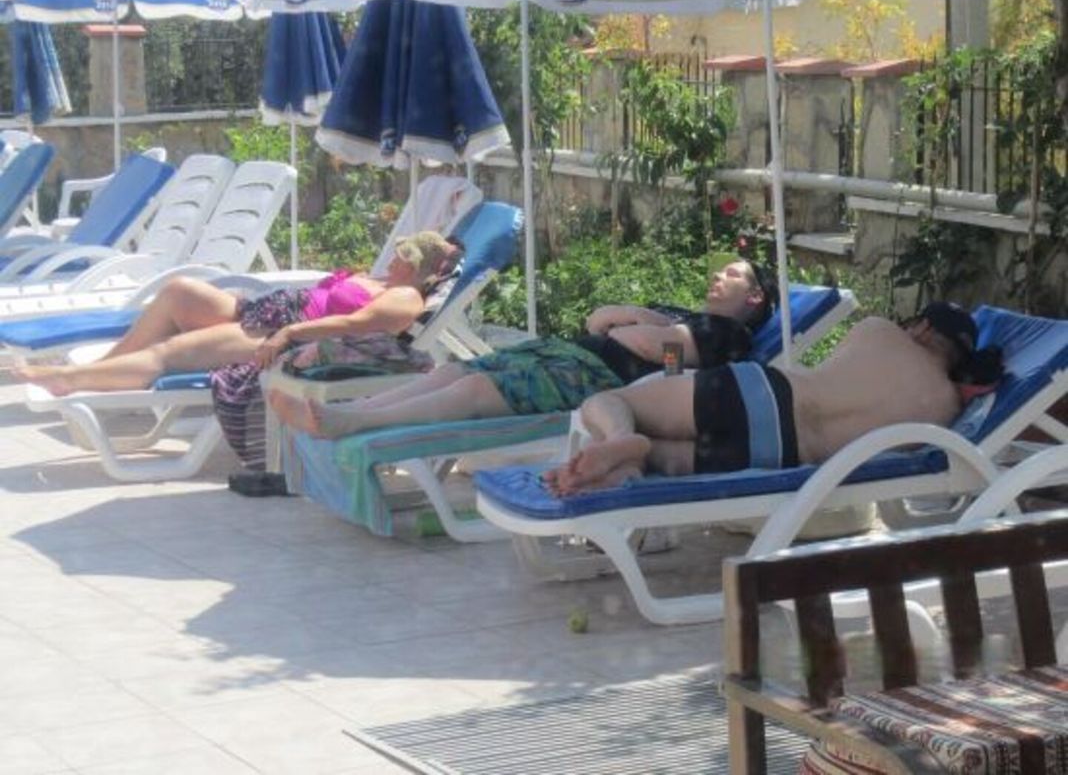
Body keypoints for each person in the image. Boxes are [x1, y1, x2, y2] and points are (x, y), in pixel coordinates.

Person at [14, 231, 460, 468]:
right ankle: (105, 369)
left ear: (415, 267)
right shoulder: (384, 282)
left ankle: (69, 380)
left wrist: (288, 334)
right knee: (179, 291)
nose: (392, 258)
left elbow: (354, 325)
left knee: (170, 351)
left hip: (278, 331)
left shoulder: (405, 296)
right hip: (266, 311)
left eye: (402, 255)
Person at [267, 259, 779, 439]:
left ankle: (351, 423)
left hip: (595, 379)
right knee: (454, 372)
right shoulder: (683, 317)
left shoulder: (728, 333)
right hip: (568, 352)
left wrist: (646, 330)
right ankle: (355, 408)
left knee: (473, 389)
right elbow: (598, 319)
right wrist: (645, 321)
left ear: (754, 297)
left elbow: (661, 355)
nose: (718, 276)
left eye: (732, 275)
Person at [544, 301, 1004, 495]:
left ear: (922, 326)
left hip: (761, 392)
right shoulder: (945, 406)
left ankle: (620, 439)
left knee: (615, 402)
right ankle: (627, 465)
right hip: (779, 453)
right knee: (660, 460)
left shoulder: (881, 331)